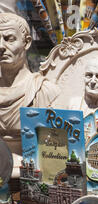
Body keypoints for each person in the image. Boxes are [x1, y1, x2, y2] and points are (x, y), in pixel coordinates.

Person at [0, 13, 59, 177]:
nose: (1, 46)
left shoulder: (45, 91)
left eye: (9, 38)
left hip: (30, 175)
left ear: (26, 42)